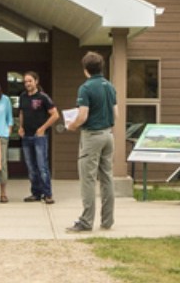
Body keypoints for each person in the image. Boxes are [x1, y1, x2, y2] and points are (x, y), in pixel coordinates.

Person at [63, 51, 115, 232]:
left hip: (92, 136)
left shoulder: (85, 88)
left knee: (88, 179)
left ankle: (86, 221)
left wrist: (72, 125)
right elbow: (116, 114)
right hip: (109, 134)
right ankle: (107, 221)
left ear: (86, 69)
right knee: (107, 177)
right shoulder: (110, 86)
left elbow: (83, 115)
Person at [17, 71, 60, 204]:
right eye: (25, 81)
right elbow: (22, 113)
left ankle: (47, 194)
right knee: (31, 167)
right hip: (26, 137)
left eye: (30, 81)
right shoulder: (23, 96)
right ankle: (36, 193)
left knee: (42, 166)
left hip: (39, 137)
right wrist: (20, 127)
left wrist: (43, 128)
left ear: (36, 81)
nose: (27, 84)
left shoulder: (43, 97)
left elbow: (55, 115)